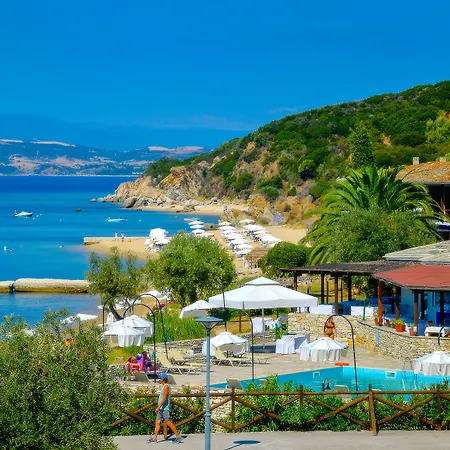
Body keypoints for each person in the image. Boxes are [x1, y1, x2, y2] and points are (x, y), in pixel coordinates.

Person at [148, 373, 183, 444]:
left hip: (164, 408)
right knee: (157, 422)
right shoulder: (164, 386)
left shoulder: (166, 386)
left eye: (160, 378)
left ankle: (178, 436)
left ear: (163, 379)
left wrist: (158, 407)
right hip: (161, 408)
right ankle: (154, 438)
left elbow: (164, 398)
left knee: (168, 422)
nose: (159, 379)